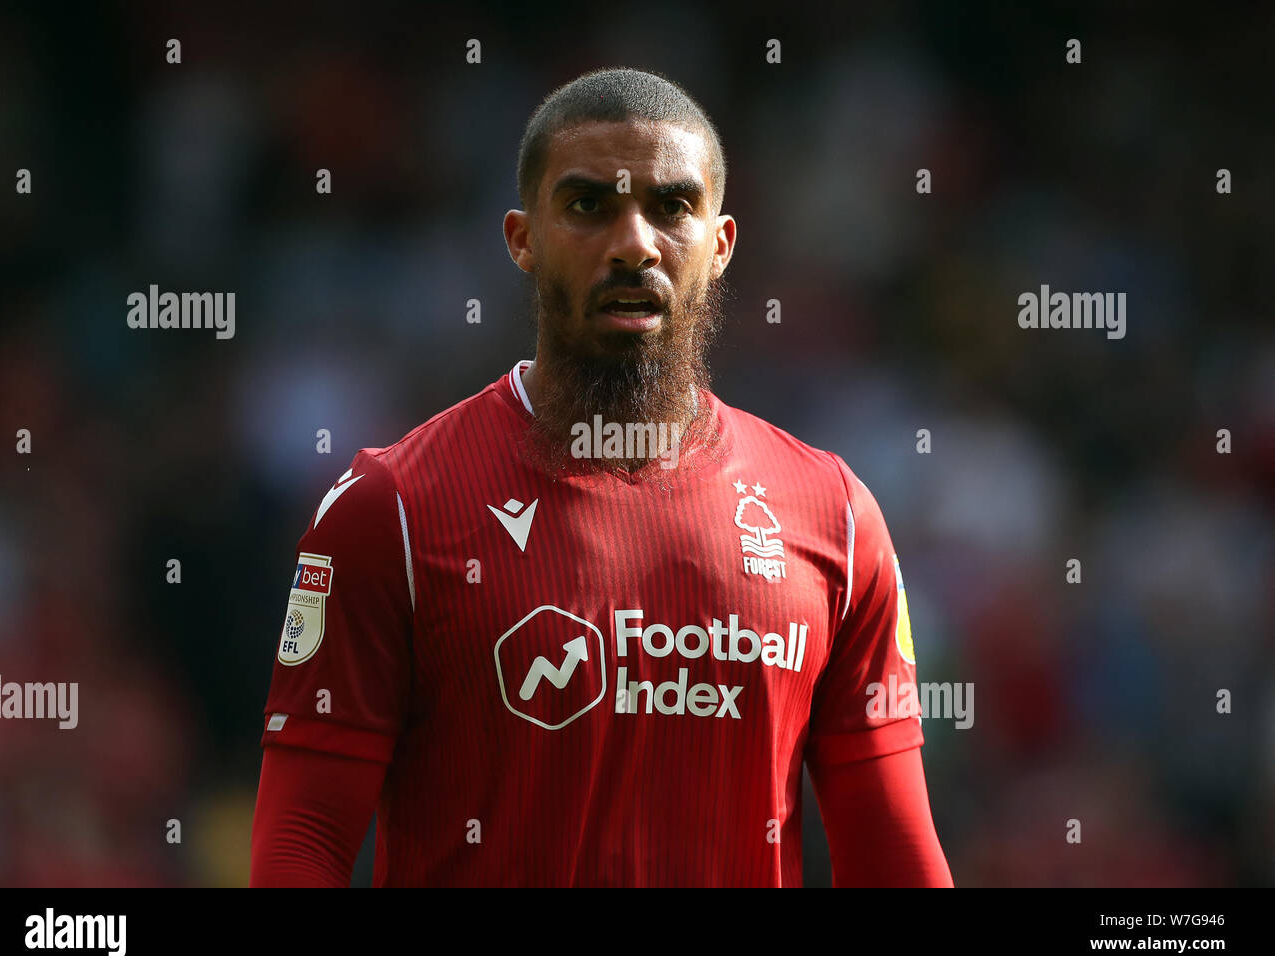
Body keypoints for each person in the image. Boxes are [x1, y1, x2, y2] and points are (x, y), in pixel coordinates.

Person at [251, 66, 953, 886]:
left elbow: (894, 856)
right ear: (522, 237)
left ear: (720, 244)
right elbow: (301, 844)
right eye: (588, 206)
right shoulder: (393, 511)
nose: (633, 243)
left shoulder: (834, 518)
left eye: (671, 207)